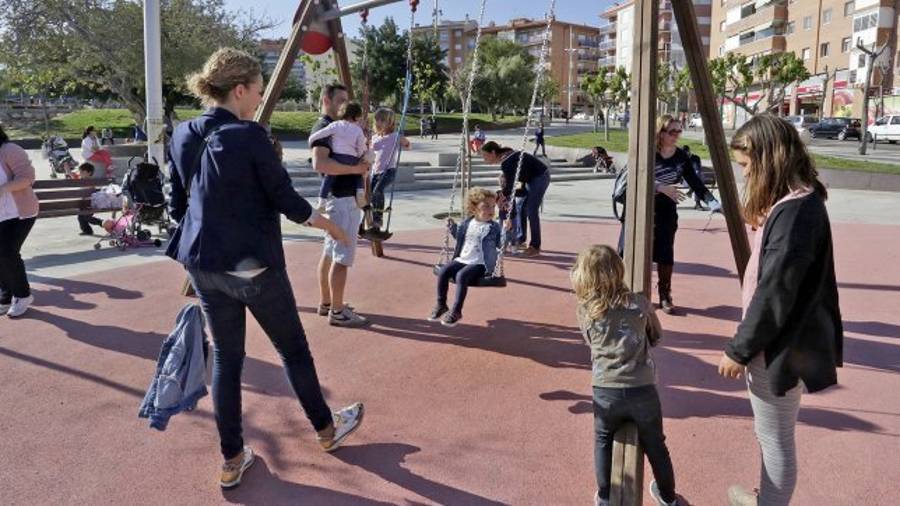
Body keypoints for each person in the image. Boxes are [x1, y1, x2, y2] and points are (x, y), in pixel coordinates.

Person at [167, 48, 365, 489]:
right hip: (251, 266)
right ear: (239, 90)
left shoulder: (182, 133)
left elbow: (178, 203)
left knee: (228, 361)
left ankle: (232, 458)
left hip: (204, 266)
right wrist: (327, 223)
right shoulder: (249, 135)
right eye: (256, 92)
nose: (257, 100)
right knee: (292, 350)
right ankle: (326, 430)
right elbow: (285, 198)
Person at [718, 114, 843, 506]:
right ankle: (766, 497)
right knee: (770, 433)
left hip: (780, 345)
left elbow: (775, 291)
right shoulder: (794, 204)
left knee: (775, 438)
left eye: (745, 165)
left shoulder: (797, 212)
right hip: (782, 339)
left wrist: (738, 349)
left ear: (766, 157)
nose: (745, 174)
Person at [571, 245, 682, 506]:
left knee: (602, 439)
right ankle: (668, 497)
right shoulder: (640, 303)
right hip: (642, 389)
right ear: (619, 270)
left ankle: (605, 494)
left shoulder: (585, 310)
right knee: (656, 444)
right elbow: (656, 336)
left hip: (605, 390)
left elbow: (591, 342)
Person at [619, 115, 721, 314]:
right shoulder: (647, 152)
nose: (676, 135)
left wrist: (712, 202)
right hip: (640, 207)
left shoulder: (681, 156)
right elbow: (635, 177)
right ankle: (625, 292)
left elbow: (695, 182)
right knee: (628, 251)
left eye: (679, 131)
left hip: (666, 210)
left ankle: (665, 294)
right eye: (672, 131)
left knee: (666, 253)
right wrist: (660, 187)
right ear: (660, 132)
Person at [310, 83, 371, 327]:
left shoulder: (340, 129)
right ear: (326, 100)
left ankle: (328, 302)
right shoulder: (326, 127)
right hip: (342, 200)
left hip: (341, 198)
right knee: (342, 255)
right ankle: (337, 311)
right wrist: (356, 168)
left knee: (329, 252)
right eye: (340, 100)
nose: (344, 104)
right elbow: (320, 164)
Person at [428, 187, 501, 327]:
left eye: (493, 206)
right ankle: (441, 304)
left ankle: (456, 311)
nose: (491, 210)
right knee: (443, 271)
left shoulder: (494, 227)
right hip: (463, 259)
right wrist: (452, 228)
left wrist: (508, 232)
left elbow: (501, 243)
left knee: (462, 276)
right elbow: (460, 237)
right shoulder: (468, 223)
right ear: (474, 209)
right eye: (486, 206)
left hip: (481, 263)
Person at [481, 141, 551, 258]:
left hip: (539, 177)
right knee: (520, 207)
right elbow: (514, 181)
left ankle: (535, 246)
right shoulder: (507, 157)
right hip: (530, 179)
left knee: (531, 210)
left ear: (493, 153)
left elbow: (510, 186)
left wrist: (498, 196)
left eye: (485, 156)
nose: (484, 159)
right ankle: (521, 239)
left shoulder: (506, 160)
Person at [0, 125, 39, 318]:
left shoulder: (9, 150)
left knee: (7, 252)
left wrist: (2, 189)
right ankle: (6, 296)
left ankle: (22, 295)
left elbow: (27, 178)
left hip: (20, 212)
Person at [307, 102, 372, 212]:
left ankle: (322, 200)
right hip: (352, 158)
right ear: (356, 117)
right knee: (358, 174)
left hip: (338, 157)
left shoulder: (335, 125)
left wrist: (311, 140)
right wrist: (361, 155)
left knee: (329, 178)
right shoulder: (358, 130)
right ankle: (360, 193)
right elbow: (361, 146)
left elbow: (322, 133)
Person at [368, 107, 410, 232]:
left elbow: (407, 146)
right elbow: (369, 150)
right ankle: (374, 220)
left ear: (390, 123)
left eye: (382, 120)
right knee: (371, 194)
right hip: (375, 171)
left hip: (389, 171)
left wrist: (405, 142)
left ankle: (378, 219)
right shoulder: (375, 137)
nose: (378, 123)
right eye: (377, 120)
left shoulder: (394, 136)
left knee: (377, 190)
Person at [75, 162, 104, 235]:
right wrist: (67, 170)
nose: (80, 173)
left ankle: (102, 222)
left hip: (90, 204)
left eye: (82, 172)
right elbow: (73, 176)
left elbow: (92, 194)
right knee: (80, 217)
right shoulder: (81, 180)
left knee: (87, 217)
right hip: (83, 204)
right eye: (80, 171)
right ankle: (87, 231)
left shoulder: (90, 182)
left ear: (89, 173)